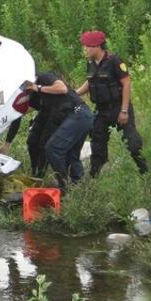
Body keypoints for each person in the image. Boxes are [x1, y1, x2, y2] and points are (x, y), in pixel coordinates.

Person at [75, 30, 148, 176]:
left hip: (119, 107)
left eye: (87, 46)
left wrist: (124, 111)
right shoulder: (90, 62)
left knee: (132, 143)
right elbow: (90, 82)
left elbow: (126, 84)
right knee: (97, 143)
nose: (85, 49)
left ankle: (145, 173)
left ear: (97, 46)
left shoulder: (114, 60)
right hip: (102, 111)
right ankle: (94, 176)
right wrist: (73, 94)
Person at [24, 72, 94, 193]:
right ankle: (79, 188)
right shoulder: (37, 95)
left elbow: (62, 88)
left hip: (79, 114)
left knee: (53, 148)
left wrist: (38, 87)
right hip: (82, 116)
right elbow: (29, 108)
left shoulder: (43, 78)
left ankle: (62, 187)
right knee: (71, 154)